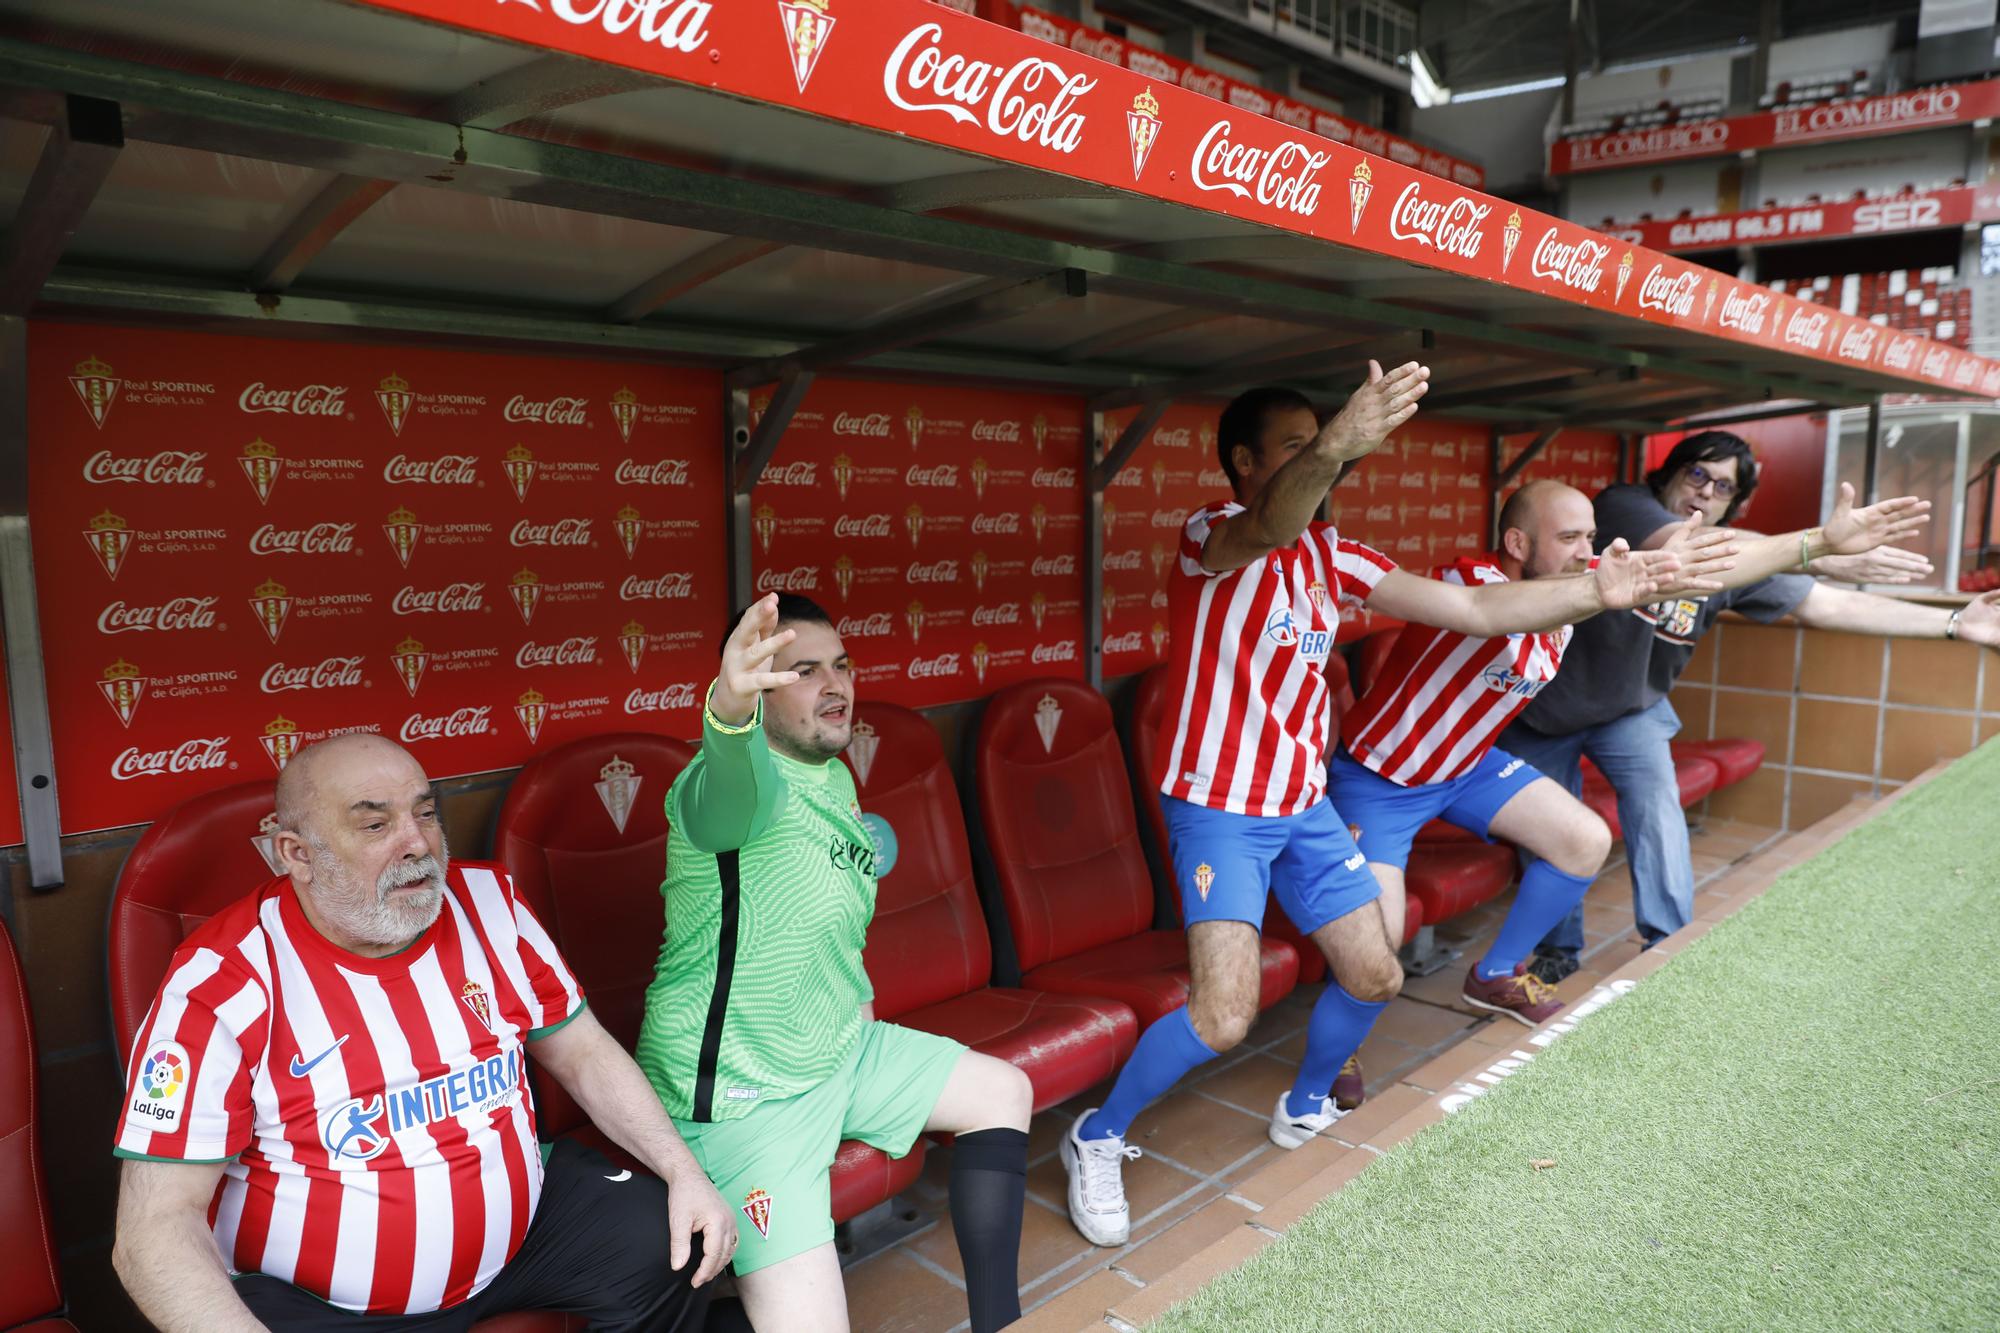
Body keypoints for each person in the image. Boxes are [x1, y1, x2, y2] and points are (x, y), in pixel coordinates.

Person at [1060, 367, 1735, 1248]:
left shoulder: (1335, 555)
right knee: (1224, 1015)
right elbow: (1268, 521)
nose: (1322, 461)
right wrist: (1337, 443)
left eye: (1324, 444)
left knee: (1375, 971)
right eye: (1298, 446)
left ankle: (1304, 1105)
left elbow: (1473, 606)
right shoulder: (1213, 533)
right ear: (1242, 460)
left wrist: (1599, 592)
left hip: (1302, 802)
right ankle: (1097, 1135)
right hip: (1219, 806)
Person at [111, 733, 733, 1332]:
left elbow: (584, 1052)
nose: (418, 845)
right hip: (317, 1304)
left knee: (676, 1244)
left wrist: (684, 1173)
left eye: (426, 813)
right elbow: (154, 1229)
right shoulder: (221, 980)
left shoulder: (491, 905)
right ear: (296, 854)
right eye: (375, 824)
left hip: (528, 1236)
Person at [634, 593, 1032, 1333]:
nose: (837, 683)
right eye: (804, 670)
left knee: (1001, 1091)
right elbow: (727, 755)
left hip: (837, 1052)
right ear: (758, 689)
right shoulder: (724, 787)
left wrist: (856, 1006)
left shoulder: (835, 775)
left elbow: (832, 920)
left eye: (841, 665)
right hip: (745, 1098)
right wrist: (727, 701)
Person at [1502, 430, 2000, 981]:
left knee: (1657, 808)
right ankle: (1558, 949)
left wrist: (1954, 623)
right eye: (1697, 475)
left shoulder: (1740, 562)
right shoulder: (1624, 508)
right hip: (1545, 708)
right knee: (1552, 832)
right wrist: (1821, 549)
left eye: (1722, 488)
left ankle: (1667, 946)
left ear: (1734, 504)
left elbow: (1825, 608)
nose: (1704, 494)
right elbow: (1692, 547)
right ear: (1670, 474)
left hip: (1630, 710)